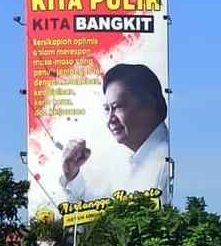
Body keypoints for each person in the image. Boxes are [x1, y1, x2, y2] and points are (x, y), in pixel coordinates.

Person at [59, 63, 170, 203]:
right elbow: (99, 215)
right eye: (107, 109)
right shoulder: (126, 163)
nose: (110, 119)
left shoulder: (167, 163)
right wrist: (71, 175)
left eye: (118, 107)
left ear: (149, 105)